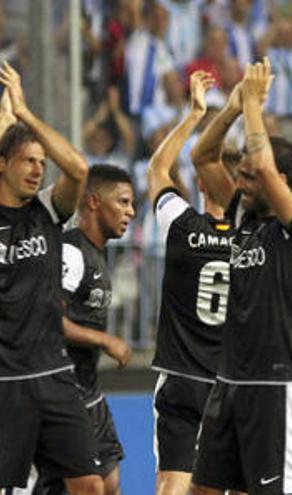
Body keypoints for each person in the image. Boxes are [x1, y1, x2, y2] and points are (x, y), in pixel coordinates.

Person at [190, 58, 292, 495]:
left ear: (281, 181)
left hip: (274, 385)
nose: (241, 183)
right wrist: (229, 109)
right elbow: (201, 156)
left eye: (249, 176)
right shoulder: (242, 216)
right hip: (229, 381)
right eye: (241, 176)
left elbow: (262, 166)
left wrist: (253, 105)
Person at [0, 62, 102, 494]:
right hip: (6, 381)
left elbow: (78, 169)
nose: (38, 170)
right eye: (28, 161)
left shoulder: (46, 212)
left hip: (55, 374)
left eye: (42, 162)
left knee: (91, 486)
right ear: (3, 165)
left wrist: (23, 115)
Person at [149, 71, 236, 495]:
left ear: (200, 183)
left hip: (181, 376)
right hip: (233, 382)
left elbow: (157, 168)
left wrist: (194, 115)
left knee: (173, 483)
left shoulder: (180, 225)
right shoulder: (253, 240)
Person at [44, 164, 135, 495]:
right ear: (94, 202)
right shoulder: (71, 252)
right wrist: (105, 339)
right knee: (89, 487)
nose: (131, 212)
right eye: (123, 202)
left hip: (89, 390)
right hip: (61, 391)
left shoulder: (97, 256)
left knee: (110, 483)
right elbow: (50, 317)